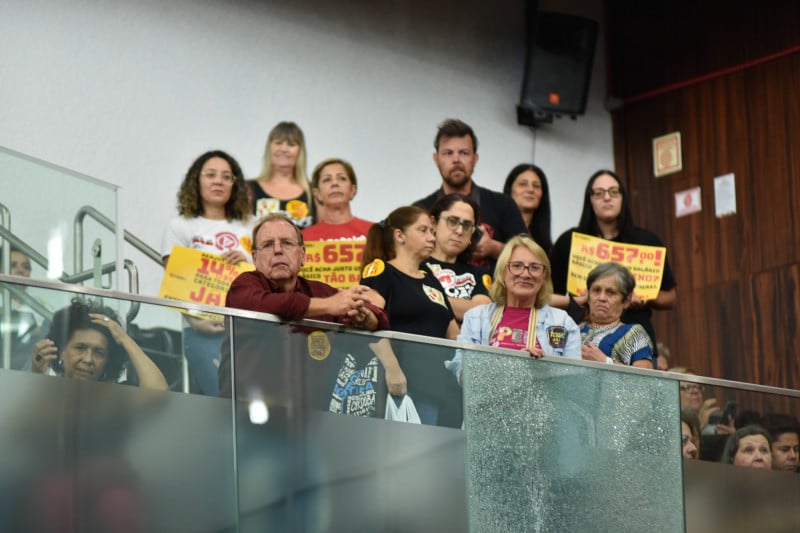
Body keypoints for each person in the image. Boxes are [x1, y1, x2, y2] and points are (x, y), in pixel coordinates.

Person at [219, 214, 389, 398]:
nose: (278, 250)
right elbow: (269, 305)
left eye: (286, 243)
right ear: (255, 258)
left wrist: (365, 317)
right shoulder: (243, 285)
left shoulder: (317, 290)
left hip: (307, 417)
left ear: (302, 256)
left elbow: (377, 317)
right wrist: (328, 305)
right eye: (268, 245)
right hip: (244, 413)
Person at [550, 169, 677, 353]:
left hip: (636, 338)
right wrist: (578, 300)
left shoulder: (647, 241)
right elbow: (550, 295)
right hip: (581, 337)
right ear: (590, 199)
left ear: (622, 197)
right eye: (599, 193)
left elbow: (671, 297)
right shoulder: (568, 242)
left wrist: (645, 297)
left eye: (613, 192)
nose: (607, 198)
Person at [161, 150, 253, 395]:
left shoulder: (250, 227)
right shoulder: (180, 226)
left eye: (226, 177)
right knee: (223, 400)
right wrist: (196, 320)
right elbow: (175, 281)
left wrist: (247, 263)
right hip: (203, 330)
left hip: (249, 330)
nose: (218, 181)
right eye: (210, 175)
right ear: (196, 180)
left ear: (235, 185)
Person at [360, 206, 461, 426]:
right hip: (403, 385)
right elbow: (367, 322)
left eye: (432, 232)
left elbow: (453, 332)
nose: (431, 238)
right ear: (399, 235)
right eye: (423, 230)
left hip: (438, 387)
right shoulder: (382, 271)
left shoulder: (431, 279)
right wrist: (392, 369)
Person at [448, 236, 581, 383]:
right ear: (502, 273)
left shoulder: (562, 322)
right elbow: (461, 372)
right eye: (517, 266)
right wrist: (505, 366)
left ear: (544, 276)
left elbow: (574, 382)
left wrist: (543, 369)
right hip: (487, 404)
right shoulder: (476, 317)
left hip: (544, 405)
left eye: (535, 268)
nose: (525, 274)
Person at [413, 119, 527, 268]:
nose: (456, 160)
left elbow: (530, 255)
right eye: (448, 153)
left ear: (475, 158)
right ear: (436, 159)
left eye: (464, 153)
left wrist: (494, 248)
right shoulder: (421, 210)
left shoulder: (502, 204)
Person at [30, 298, 168, 390]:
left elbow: (159, 392)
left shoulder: (119, 397)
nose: (88, 359)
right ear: (61, 351)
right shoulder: (51, 394)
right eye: (80, 348)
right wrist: (37, 376)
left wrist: (125, 340)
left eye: (98, 352)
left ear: (107, 360)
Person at [425, 193, 492, 323]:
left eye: (467, 225)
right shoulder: (416, 265)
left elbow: (482, 314)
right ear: (433, 223)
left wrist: (430, 300)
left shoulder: (478, 273)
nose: (460, 231)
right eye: (452, 221)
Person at [578, 262, 654, 368]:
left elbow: (644, 381)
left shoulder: (634, 333)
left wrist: (605, 362)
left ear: (626, 301)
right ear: (588, 296)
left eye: (611, 293)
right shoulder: (574, 329)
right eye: (596, 290)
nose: (602, 298)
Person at [248, 121, 314, 229]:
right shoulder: (249, 189)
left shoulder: (314, 193)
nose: (284, 149)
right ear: (269, 147)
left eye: (291, 144)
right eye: (278, 143)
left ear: (300, 151)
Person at [301, 158, 372, 241]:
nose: (335, 183)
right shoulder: (304, 238)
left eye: (342, 178)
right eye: (327, 180)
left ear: (353, 190)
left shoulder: (374, 232)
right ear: (317, 193)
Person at [503, 163, 553, 253]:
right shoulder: (494, 230)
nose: (530, 189)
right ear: (509, 190)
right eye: (523, 184)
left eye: (536, 186)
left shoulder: (546, 245)